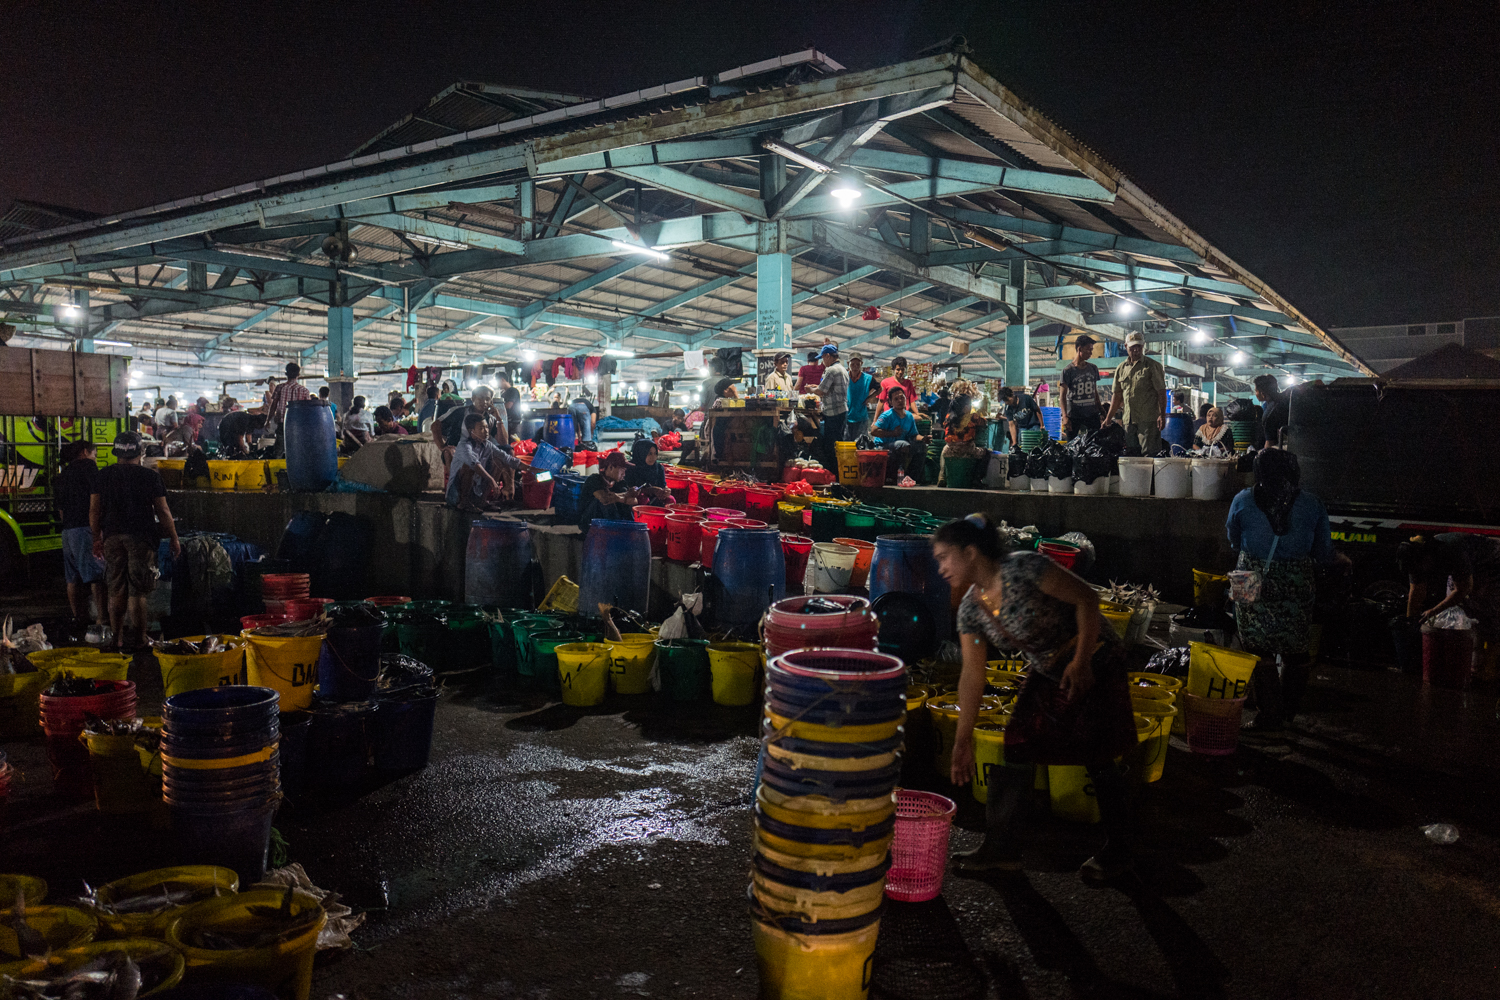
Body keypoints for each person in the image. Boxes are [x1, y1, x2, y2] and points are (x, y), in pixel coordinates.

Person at [934, 514, 1138, 880]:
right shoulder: (970, 608)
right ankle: (1002, 849)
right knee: (1017, 743)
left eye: (945, 557)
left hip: (1096, 655)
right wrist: (962, 739)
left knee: (1100, 751)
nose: (941, 568)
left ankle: (1122, 852)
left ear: (970, 552)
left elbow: (1087, 601)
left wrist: (1081, 662)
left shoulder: (1025, 568)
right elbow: (972, 675)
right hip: (1048, 669)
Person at [1227, 449, 1347, 735]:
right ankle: (1288, 711)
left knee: (1255, 647)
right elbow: (1322, 552)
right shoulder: (1312, 504)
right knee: (1295, 649)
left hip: (1247, 577)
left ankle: (1268, 713)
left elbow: (1233, 539)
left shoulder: (1243, 499)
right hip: (1295, 579)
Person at [90, 432, 181, 653]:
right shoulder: (149, 477)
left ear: (116, 452)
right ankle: (140, 639)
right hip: (141, 537)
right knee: (137, 591)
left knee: (116, 588)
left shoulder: (103, 475)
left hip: (112, 537)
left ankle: (117, 638)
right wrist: (174, 537)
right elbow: (163, 510)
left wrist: (96, 538)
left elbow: (94, 510)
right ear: (140, 452)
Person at [1399, 532, 1500, 680]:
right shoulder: (1415, 558)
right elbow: (1416, 591)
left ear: (1426, 557)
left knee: (1487, 612)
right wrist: (1411, 622)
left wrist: (1433, 611)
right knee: (1459, 613)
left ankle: (1488, 669)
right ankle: (1472, 663)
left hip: (1493, 564)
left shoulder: (1450, 549)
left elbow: (1463, 589)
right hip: (1472, 564)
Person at [56, 441, 107, 629]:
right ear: (85, 452)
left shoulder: (62, 476)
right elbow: (98, 502)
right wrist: (97, 532)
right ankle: (102, 619)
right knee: (96, 576)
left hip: (67, 531)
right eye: (94, 453)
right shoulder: (90, 469)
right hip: (85, 528)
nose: (95, 457)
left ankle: (79, 618)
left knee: (72, 578)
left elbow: (60, 509)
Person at [1103, 331, 1167, 455]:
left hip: (1148, 420)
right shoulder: (1121, 369)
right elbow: (1116, 396)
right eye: (1133, 347)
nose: (1136, 350)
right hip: (1128, 420)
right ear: (1126, 346)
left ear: (1143, 347)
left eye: (1139, 347)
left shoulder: (1152, 366)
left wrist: (1162, 415)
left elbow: (1161, 392)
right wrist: (1108, 418)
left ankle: (1150, 475)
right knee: (1131, 455)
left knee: (1149, 455)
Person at [444, 413, 524, 510]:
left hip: (475, 492)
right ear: (471, 431)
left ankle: (481, 501)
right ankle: (464, 502)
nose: (486, 431)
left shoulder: (487, 445)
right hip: (455, 496)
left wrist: (531, 468)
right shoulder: (464, 446)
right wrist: (492, 480)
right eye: (481, 428)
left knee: (498, 462)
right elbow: (474, 464)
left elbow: (507, 458)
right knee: (469, 467)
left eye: (486, 427)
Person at [578, 451, 641, 532]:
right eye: (622, 470)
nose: (624, 474)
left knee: (624, 497)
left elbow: (634, 500)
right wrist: (625, 495)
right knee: (603, 502)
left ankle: (625, 529)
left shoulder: (620, 483)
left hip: (609, 522)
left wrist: (618, 498)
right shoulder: (594, 479)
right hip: (589, 522)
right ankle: (615, 530)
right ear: (611, 467)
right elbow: (604, 499)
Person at [939, 381, 988, 486]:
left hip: (950, 449)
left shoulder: (948, 417)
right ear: (966, 406)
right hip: (967, 450)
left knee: (943, 452)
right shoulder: (973, 417)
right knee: (985, 453)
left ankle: (942, 476)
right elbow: (984, 422)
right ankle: (977, 479)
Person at [871, 386, 923, 480]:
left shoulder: (909, 416)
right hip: (882, 446)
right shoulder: (887, 416)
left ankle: (912, 477)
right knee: (903, 444)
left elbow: (914, 435)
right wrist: (892, 433)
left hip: (900, 445)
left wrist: (923, 439)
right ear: (890, 402)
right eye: (896, 399)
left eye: (902, 397)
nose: (900, 400)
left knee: (921, 446)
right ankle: (897, 477)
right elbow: (873, 431)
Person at [811, 344, 848, 469]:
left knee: (831, 446)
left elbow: (821, 391)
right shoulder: (843, 369)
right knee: (838, 443)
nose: (822, 361)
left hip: (833, 413)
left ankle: (833, 472)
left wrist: (810, 389)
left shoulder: (831, 370)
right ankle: (839, 472)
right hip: (841, 411)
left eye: (823, 358)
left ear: (828, 356)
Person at [1060, 334, 1103, 438]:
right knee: (1072, 446)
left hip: (1092, 414)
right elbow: (1062, 396)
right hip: (1074, 415)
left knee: (1096, 444)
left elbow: (1095, 392)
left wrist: (1102, 411)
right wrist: (1065, 416)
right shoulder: (1068, 371)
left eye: (1091, 349)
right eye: (1088, 349)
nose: (1091, 353)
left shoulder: (1093, 368)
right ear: (1080, 349)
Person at [266, 362, 311, 442]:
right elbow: (308, 410)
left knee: (280, 447)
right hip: (298, 423)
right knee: (296, 446)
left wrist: (268, 420)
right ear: (298, 375)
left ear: (286, 374)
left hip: (282, 423)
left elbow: (273, 406)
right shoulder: (304, 391)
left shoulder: (280, 387)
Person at [623, 439, 672, 503]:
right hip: (637, 499)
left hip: (655, 497)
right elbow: (628, 489)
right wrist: (649, 490)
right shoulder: (630, 468)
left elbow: (662, 485)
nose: (653, 457)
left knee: (670, 499)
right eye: (649, 454)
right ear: (641, 453)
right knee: (643, 499)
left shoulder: (659, 468)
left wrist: (666, 491)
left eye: (655, 453)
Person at [842, 353, 878, 441]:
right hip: (846, 416)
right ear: (848, 363)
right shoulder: (843, 377)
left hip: (861, 417)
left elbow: (879, 388)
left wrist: (869, 398)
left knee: (861, 443)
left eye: (857, 364)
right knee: (846, 442)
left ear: (861, 364)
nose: (855, 366)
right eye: (852, 364)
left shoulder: (868, 378)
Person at [999, 385, 1043, 451]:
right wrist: (1014, 443)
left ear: (1011, 396)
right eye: (1005, 401)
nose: (1007, 403)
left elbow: (1037, 410)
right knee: (1023, 449)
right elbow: (1011, 425)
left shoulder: (1026, 398)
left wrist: (1042, 426)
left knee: (1036, 448)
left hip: (1034, 426)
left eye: (1007, 400)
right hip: (1023, 428)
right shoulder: (1008, 408)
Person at [1253, 375, 1289, 448]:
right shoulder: (1288, 394)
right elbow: (1318, 382)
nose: (1255, 394)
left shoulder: (1269, 414)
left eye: (1256, 391)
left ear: (1262, 394)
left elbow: (1270, 443)